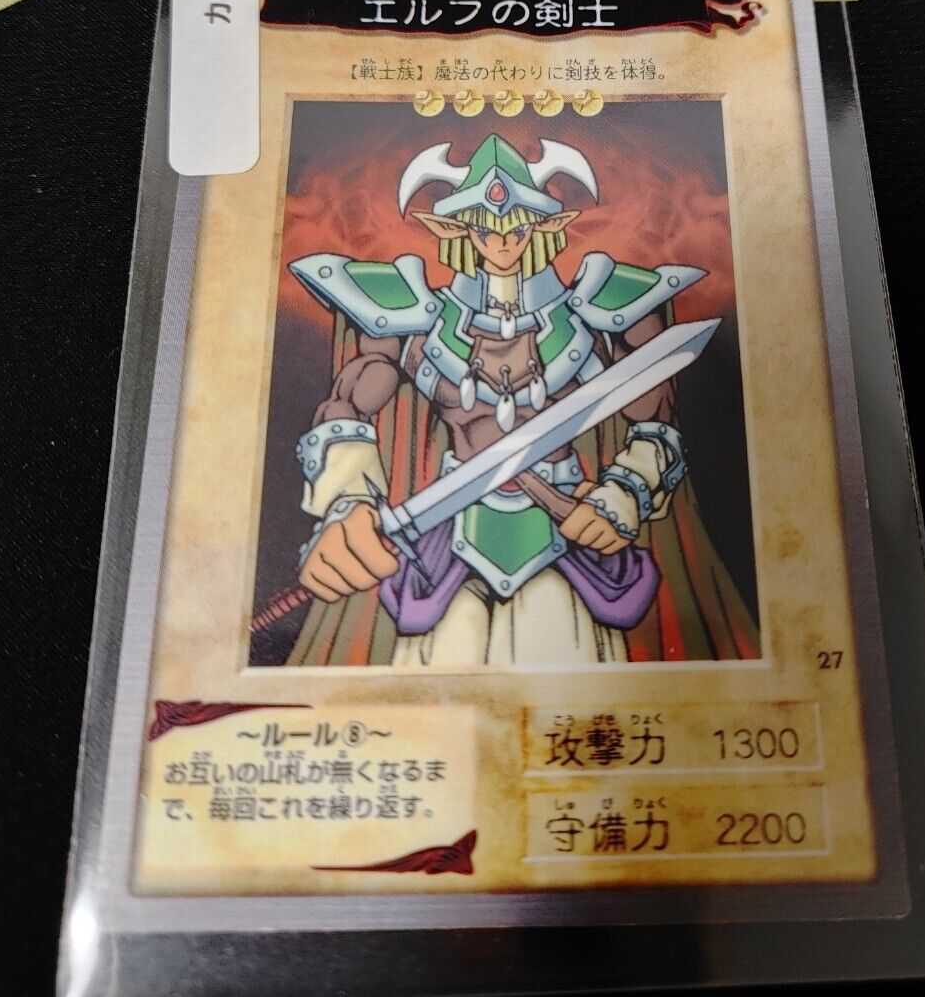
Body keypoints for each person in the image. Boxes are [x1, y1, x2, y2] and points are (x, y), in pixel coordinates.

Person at [286, 133, 757, 667]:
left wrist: (622, 495)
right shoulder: (414, 314)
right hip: (450, 534)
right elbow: (348, 404)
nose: (503, 241)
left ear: (543, 226)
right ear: (458, 229)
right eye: (486, 228)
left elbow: (657, 426)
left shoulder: (598, 307)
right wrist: (348, 505)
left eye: (517, 225)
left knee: (558, 644)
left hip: (565, 527)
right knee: (448, 657)